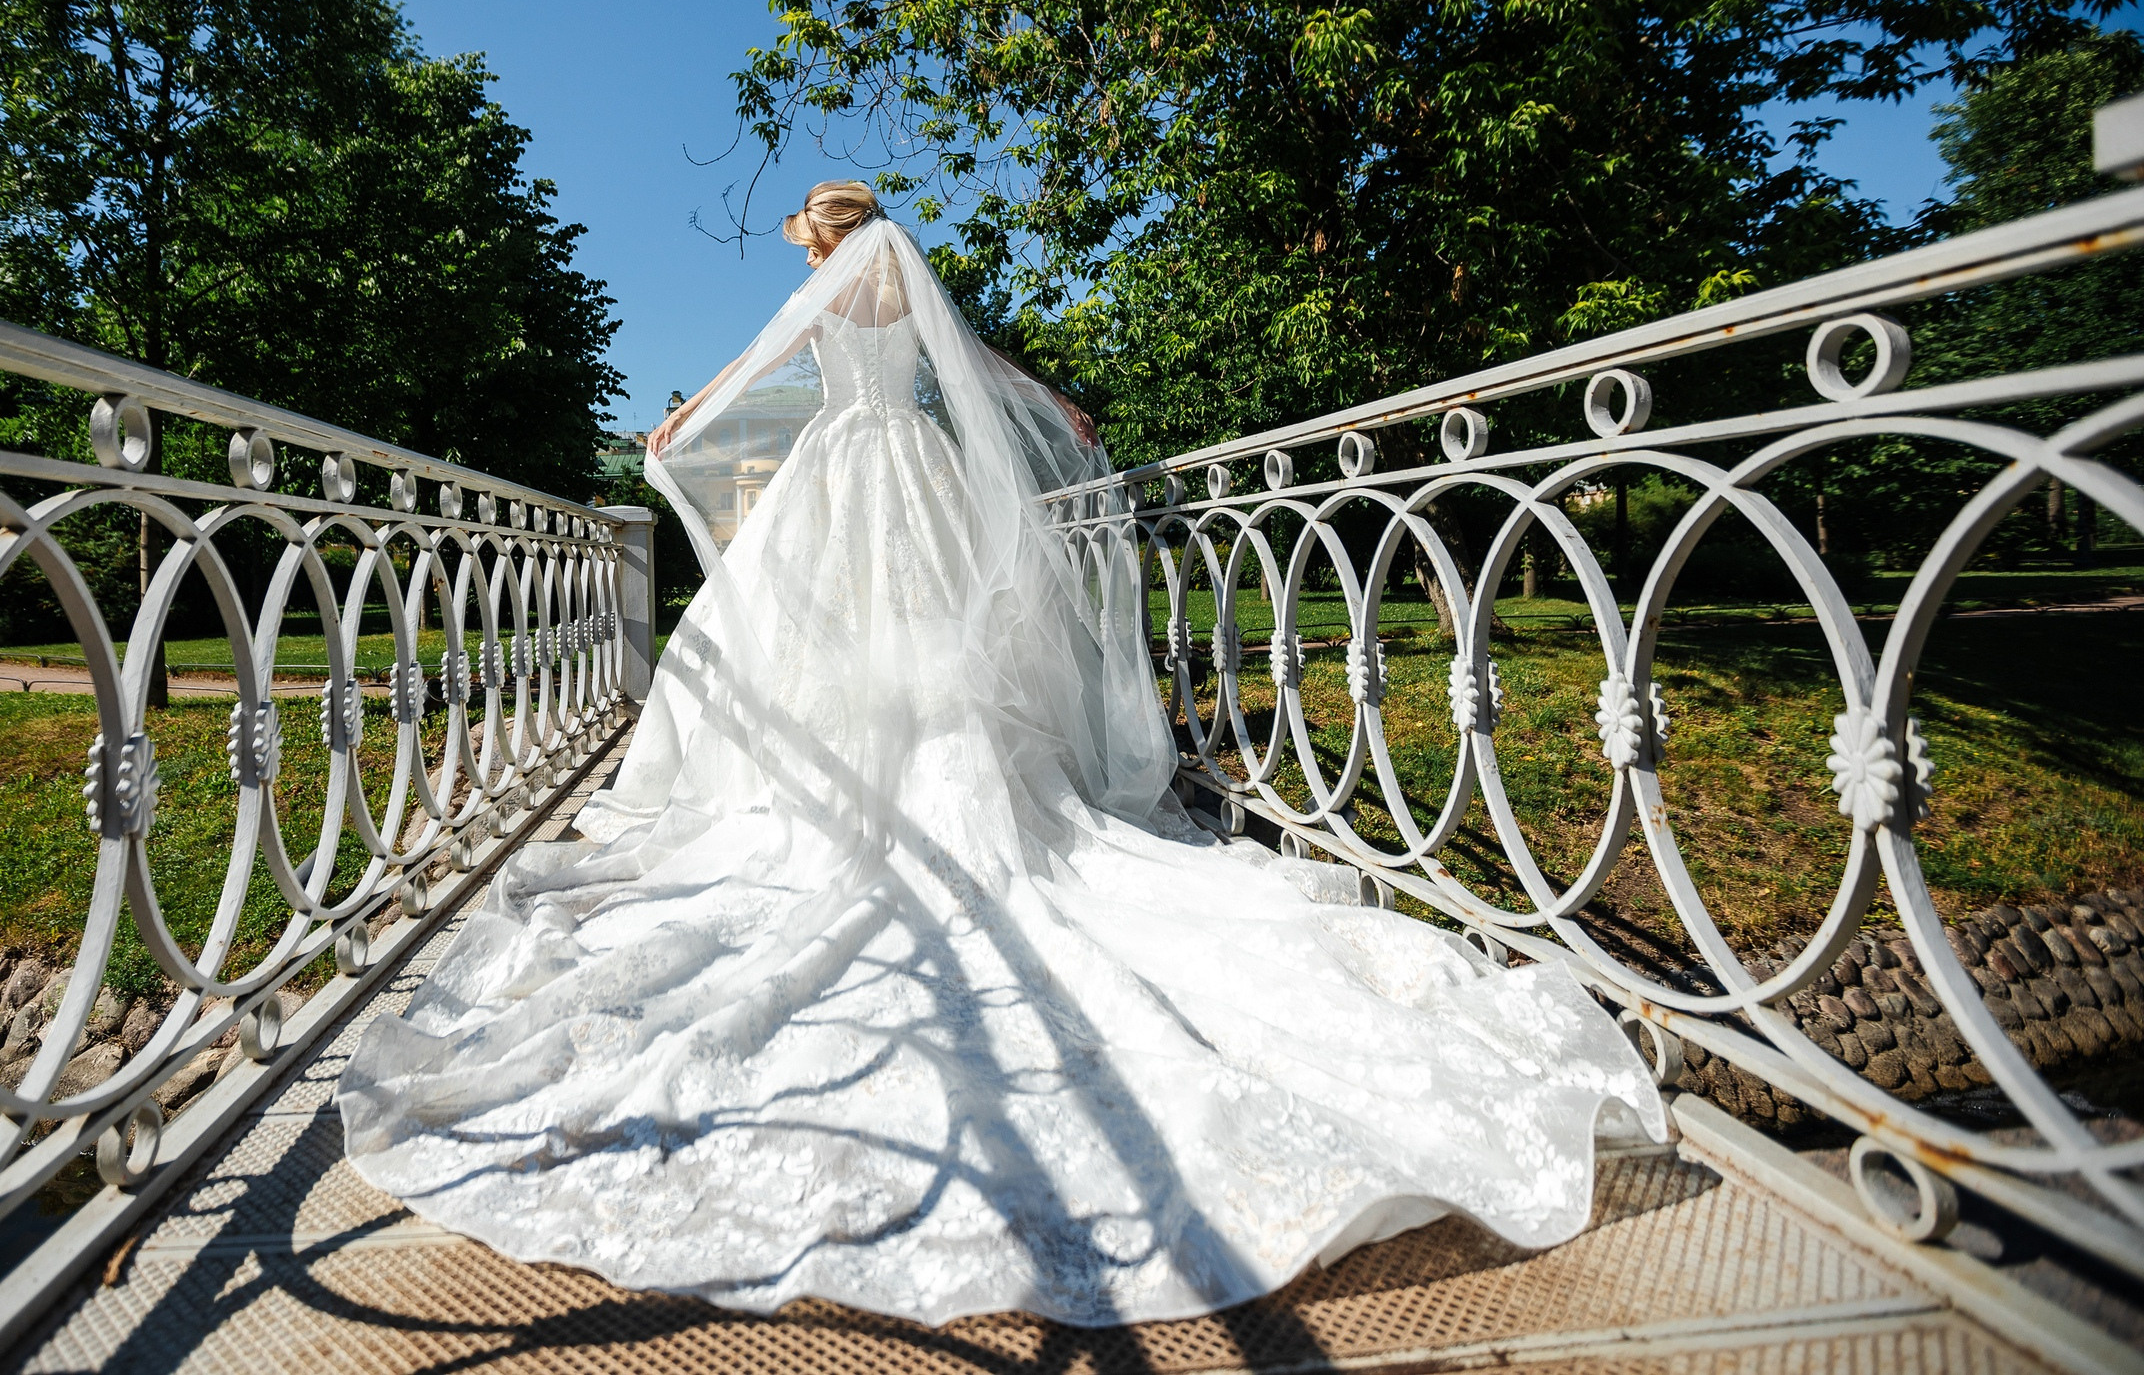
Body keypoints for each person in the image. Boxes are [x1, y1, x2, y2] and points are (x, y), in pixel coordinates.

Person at [339, 182, 1663, 1327]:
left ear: (824, 237)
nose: (813, 253)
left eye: (810, 237)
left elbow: (756, 370)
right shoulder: (912, 286)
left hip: (839, 471)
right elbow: (987, 366)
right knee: (944, 656)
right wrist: (1065, 405)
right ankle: (956, 803)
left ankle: (848, 801)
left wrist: (679, 431)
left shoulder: (828, 290)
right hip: (915, 471)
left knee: (822, 649)